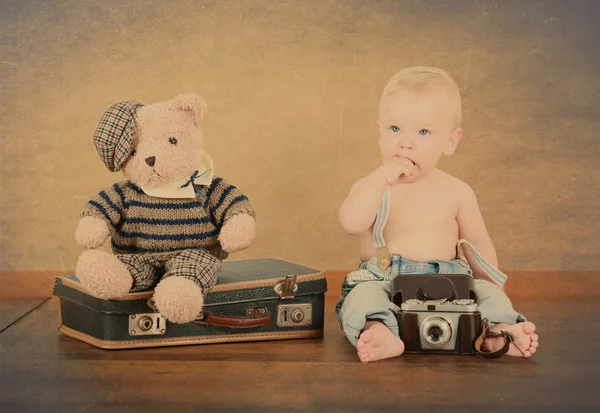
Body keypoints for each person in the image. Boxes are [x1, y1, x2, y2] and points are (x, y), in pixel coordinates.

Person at [336, 67, 539, 362]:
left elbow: (477, 242)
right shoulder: (371, 186)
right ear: (379, 132)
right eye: (395, 129)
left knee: (488, 296)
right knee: (361, 298)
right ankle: (381, 331)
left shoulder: (457, 191)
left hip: (449, 284)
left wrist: (493, 287)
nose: (405, 143)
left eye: (423, 131)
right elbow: (351, 223)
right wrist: (381, 178)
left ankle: (500, 332)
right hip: (384, 282)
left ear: (450, 141)